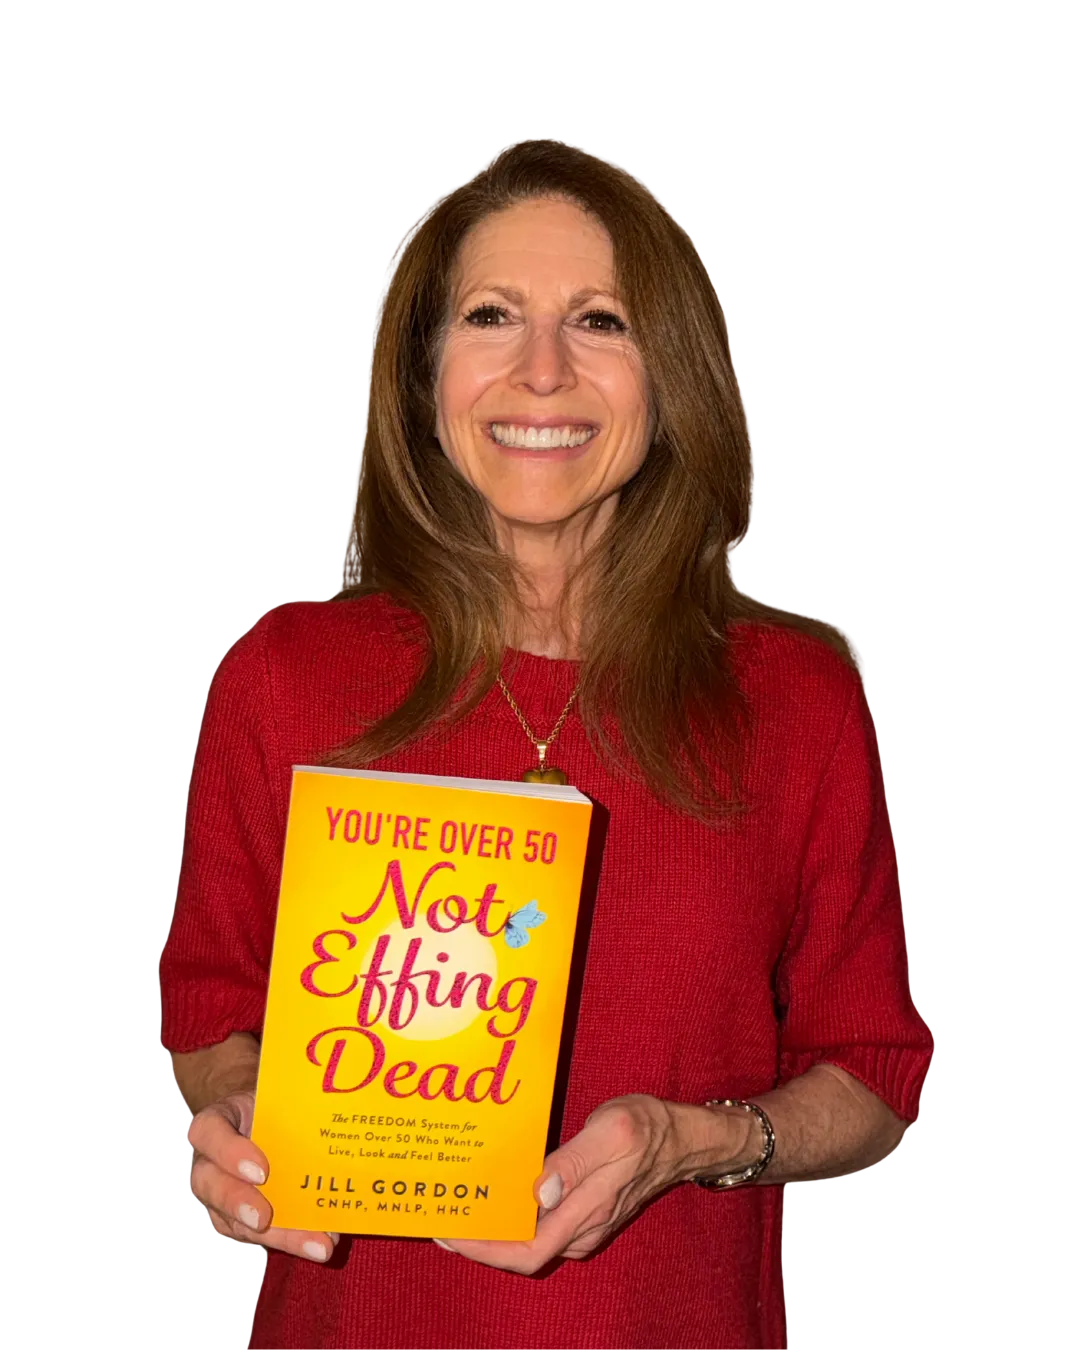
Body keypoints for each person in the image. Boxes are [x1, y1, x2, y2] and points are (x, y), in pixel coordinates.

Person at [159, 138, 935, 1350]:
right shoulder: (285, 676)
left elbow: (874, 1077)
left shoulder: (797, 702)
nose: (541, 370)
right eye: (491, 316)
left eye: (600, 321)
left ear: (669, 376)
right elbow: (209, 1009)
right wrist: (248, 1117)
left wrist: (695, 1141)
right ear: (423, 375)